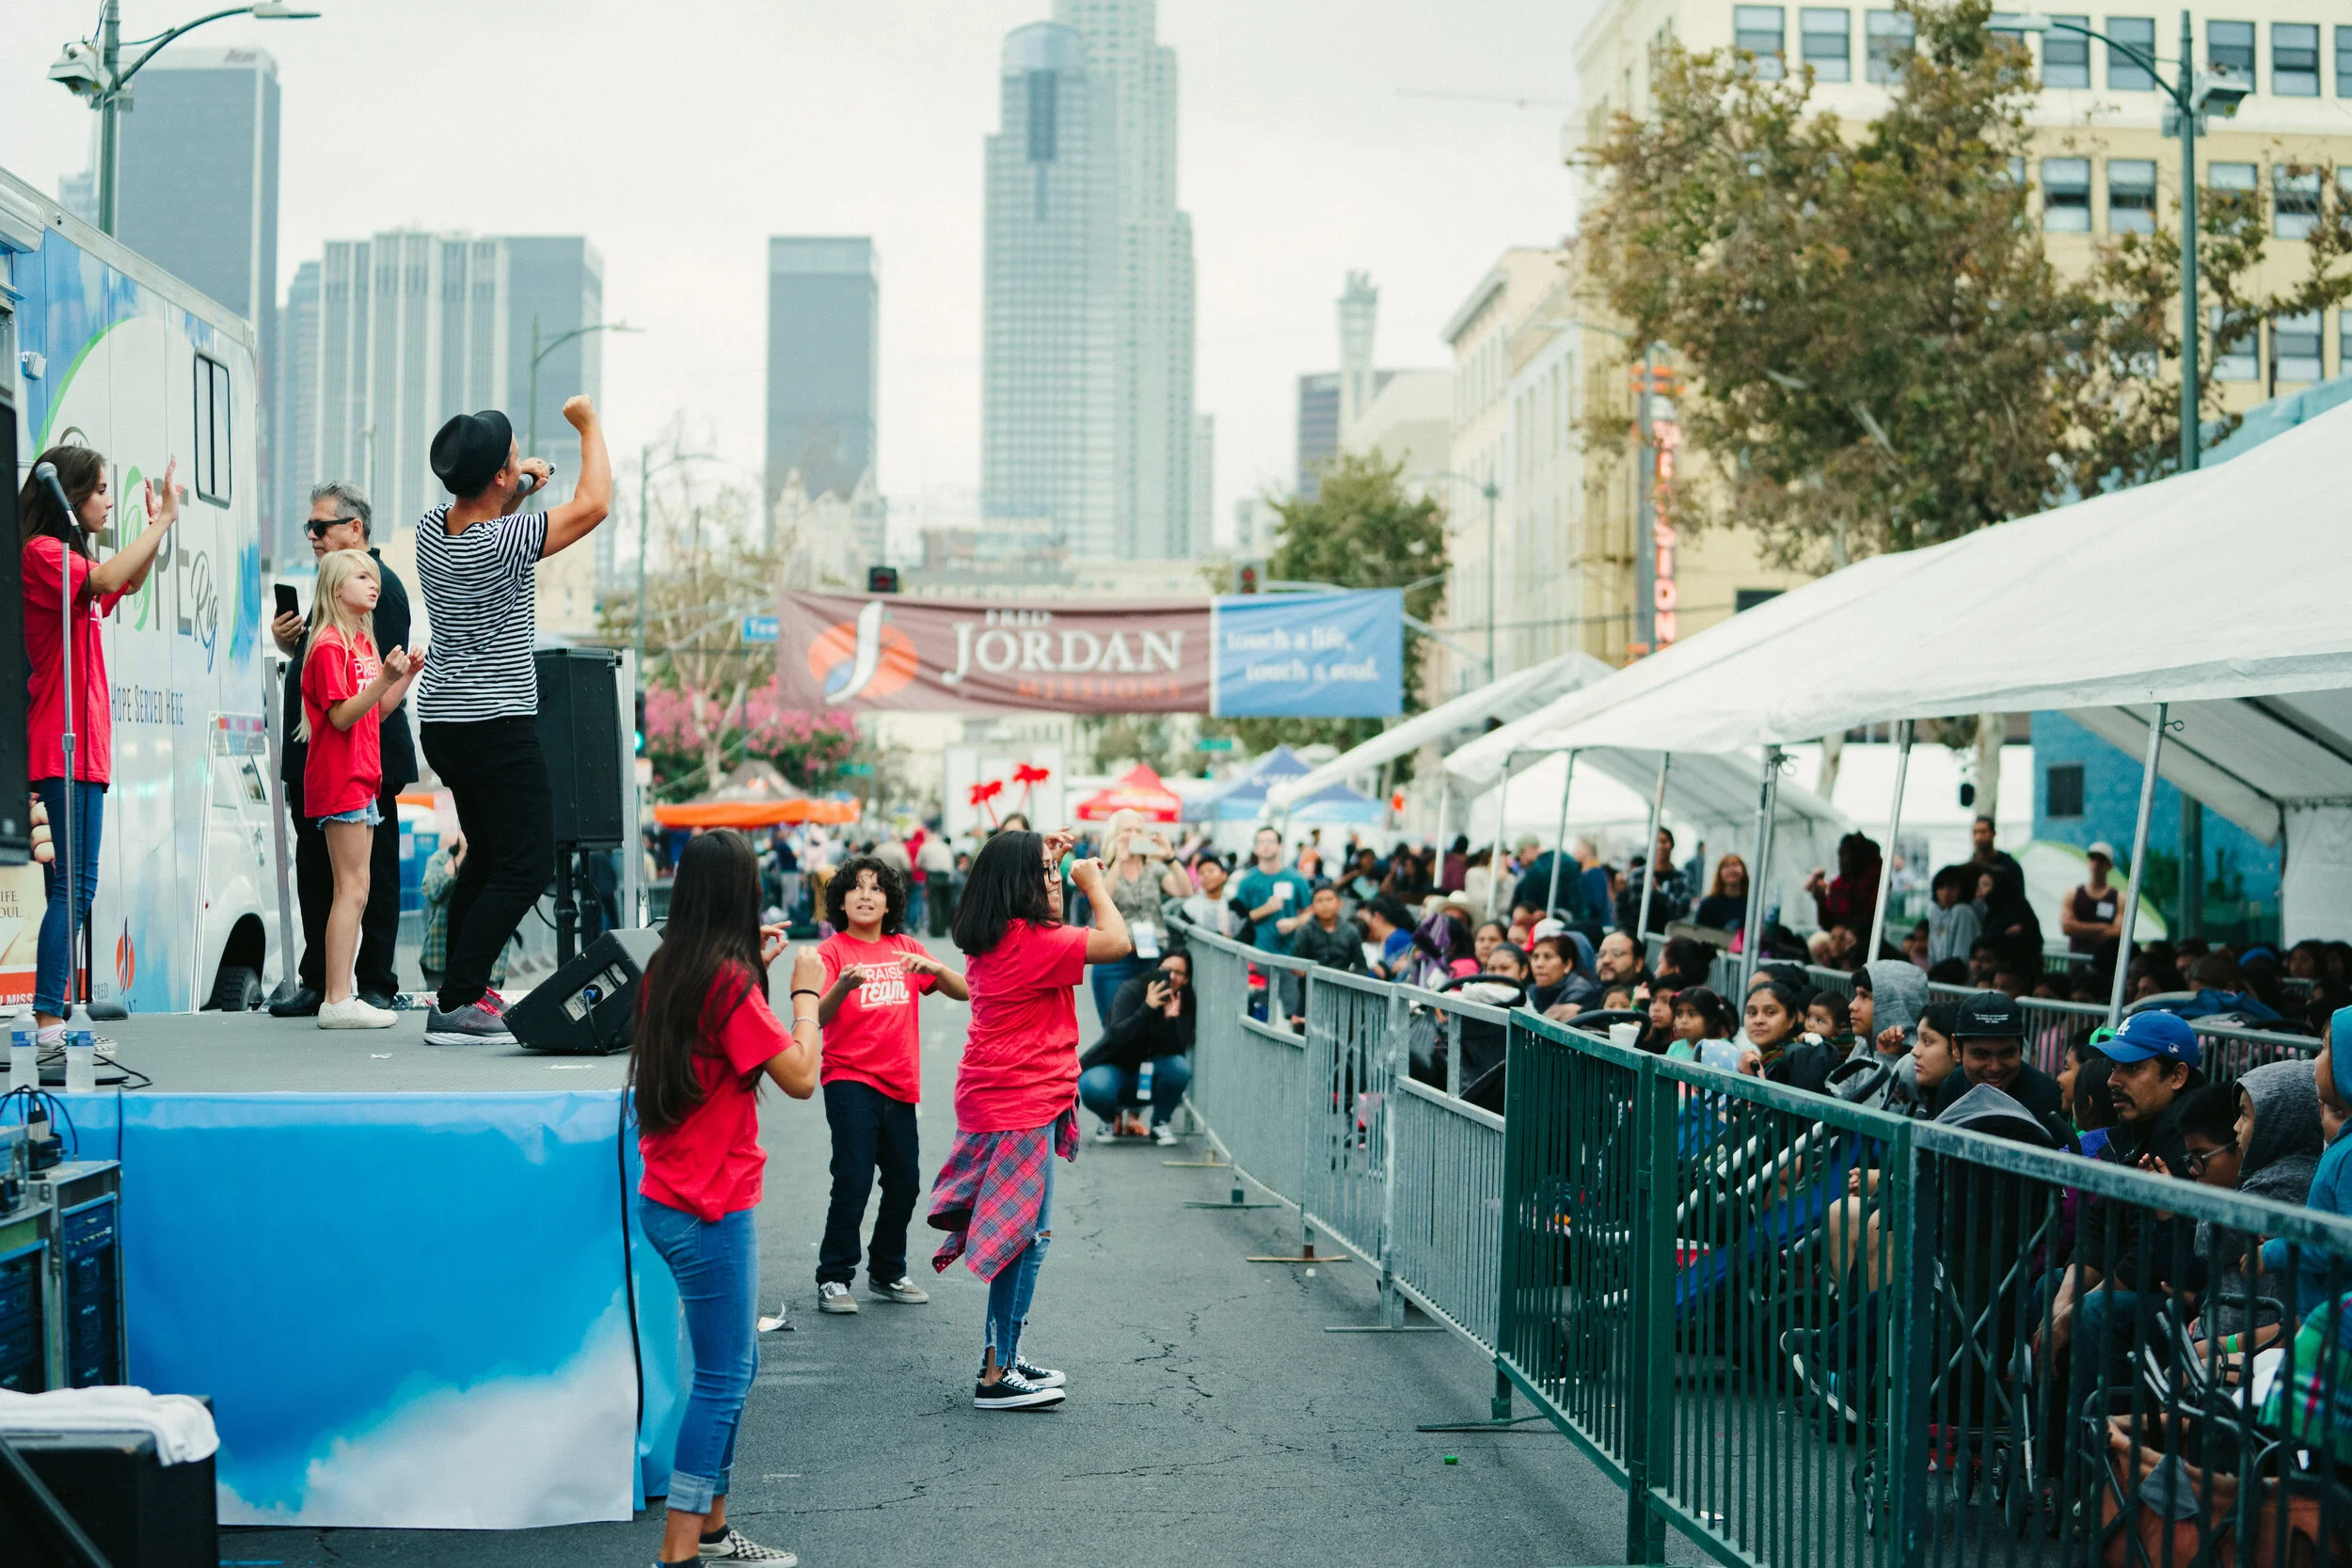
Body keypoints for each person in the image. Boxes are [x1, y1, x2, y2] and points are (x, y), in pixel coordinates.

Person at [630, 830, 818, 1568]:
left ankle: (710, 1525)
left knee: (734, 1367)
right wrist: (804, 994)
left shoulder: (671, 969)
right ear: (742, 894)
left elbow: (720, 1037)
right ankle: (679, 1550)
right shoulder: (726, 983)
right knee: (722, 1376)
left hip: (673, 1195)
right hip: (708, 1207)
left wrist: (759, 975)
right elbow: (800, 1074)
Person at [413, 396, 611, 1045]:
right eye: (509, 459)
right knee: (526, 863)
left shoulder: (428, 529)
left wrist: (520, 479)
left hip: (444, 720)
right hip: (495, 723)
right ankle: (462, 997)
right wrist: (587, 425)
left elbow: (492, 509)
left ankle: (456, 990)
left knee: (490, 852)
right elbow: (593, 505)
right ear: (497, 479)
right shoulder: (505, 542)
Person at [930, 829, 1130, 1410]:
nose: (1055, 881)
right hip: (1017, 1101)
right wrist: (1092, 883)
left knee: (1030, 1236)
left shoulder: (1002, 935)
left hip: (1009, 1096)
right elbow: (1116, 941)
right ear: (1020, 884)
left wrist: (1055, 864)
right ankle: (995, 1374)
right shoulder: (1031, 943)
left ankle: (1007, 1356)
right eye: (1043, 874)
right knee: (1023, 1239)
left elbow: (1053, 919)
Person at [19, 447, 180, 1039]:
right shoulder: (42, 554)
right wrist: (162, 522)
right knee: (74, 886)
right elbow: (110, 576)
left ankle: (52, 1016)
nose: (108, 500)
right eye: (102, 490)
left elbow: (126, 583)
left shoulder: (71, 562)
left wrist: (154, 528)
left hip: (86, 749)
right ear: (71, 494)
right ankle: (45, 1018)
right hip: (60, 747)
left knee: (72, 886)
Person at [268, 483, 418, 1017]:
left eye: (321, 526)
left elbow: (372, 686)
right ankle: (325, 982)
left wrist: (392, 681)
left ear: (355, 529)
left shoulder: (378, 588)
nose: (311, 536)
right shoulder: (332, 594)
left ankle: (370, 979)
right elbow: (336, 683)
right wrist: (293, 644)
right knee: (321, 871)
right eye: (308, 527)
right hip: (323, 756)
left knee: (364, 878)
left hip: (362, 759)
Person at [809, 855, 967, 1317]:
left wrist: (932, 969)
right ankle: (834, 1277)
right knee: (854, 1180)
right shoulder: (832, 952)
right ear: (840, 899)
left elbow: (963, 989)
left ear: (889, 900)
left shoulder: (906, 946)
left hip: (899, 1086)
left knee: (905, 1183)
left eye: (875, 888)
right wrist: (841, 987)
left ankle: (887, 1270)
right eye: (855, 888)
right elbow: (814, 1015)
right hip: (849, 1079)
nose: (865, 895)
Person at [298, 550, 422, 1029]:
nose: (373, 585)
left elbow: (377, 710)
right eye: (361, 576)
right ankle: (336, 998)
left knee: (357, 889)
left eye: (373, 577)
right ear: (335, 588)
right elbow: (341, 715)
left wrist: (403, 676)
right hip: (341, 777)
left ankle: (340, 994)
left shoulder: (361, 643)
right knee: (350, 889)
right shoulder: (329, 645)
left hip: (362, 776)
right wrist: (387, 680)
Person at [1925, 990, 2074, 1147]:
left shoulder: (2048, 1098)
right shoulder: (1953, 1085)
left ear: (2021, 1049)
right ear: (1956, 1048)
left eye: (2006, 1054)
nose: (1994, 1067)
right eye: (1981, 1054)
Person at [1079, 949, 1195, 1145]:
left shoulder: (1185, 999)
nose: (1172, 977)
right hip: (1117, 1065)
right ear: (1157, 969)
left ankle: (1160, 1123)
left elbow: (1179, 1049)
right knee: (1093, 1086)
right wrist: (1147, 1009)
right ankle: (1108, 1118)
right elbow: (1117, 1035)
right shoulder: (1133, 990)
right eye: (1166, 970)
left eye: (1179, 973)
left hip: (1151, 1070)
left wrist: (1170, 1021)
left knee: (1180, 1068)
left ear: (1186, 980)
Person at [1088, 811, 1189, 1027]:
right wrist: (1119, 860)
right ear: (1114, 835)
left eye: (1137, 830)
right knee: (1115, 1027)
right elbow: (1100, 898)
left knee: (1150, 1028)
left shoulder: (1154, 868)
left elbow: (1184, 890)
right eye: (1126, 830)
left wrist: (1170, 857)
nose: (1133, 835)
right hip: (1115, 959)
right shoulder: (1101, 867)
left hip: (1152, 958)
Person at [1804, 833, 1883, 951]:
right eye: (1840, 855)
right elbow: (1827, 923)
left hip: (1865, 943)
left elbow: (1869, 915)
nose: (1842, 860)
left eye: (1846, 855)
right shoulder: (1838, 885)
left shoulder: (1875, 881)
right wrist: (1820, 900)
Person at [1614, 827, 1692, 938]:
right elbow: (1622, 913)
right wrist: (1621, 892)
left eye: (1664, 841)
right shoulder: (1636, 876)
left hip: (1666, 938)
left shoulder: (1681, 878)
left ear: (1671, 845)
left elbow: (1681, 911)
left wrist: (1658, 893)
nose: (1659, 846)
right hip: (1637, 936)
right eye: (1656, 842)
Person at [1288, 883, 1368, 975]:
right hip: (1310, 985)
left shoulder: (1351, 931)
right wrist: (1301, 971)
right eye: (1319, 901)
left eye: (1329, 899)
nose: (1324, 904)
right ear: (1312, 907)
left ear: (1339, 903)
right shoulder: (1305, 931)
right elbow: (1295, 964)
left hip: (1342, 985)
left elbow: (1362, 967)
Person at [2058, 841, 2122, 956]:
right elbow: (2066, 927)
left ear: (2110, 865)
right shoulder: (2072, 894)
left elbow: (2119, 931)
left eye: (2101, 860)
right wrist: (2102, 927)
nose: (2096, 864)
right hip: (2077, 961)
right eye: (2093, 858)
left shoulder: (2119, 898)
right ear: (2088, 861)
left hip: (2106, 963)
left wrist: (2080, 931)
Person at [1692, 853, 1749, 933]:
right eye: (1726, 866)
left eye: (1735, 865)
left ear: (1743, 872)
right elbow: (1697, 934)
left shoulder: (1751, 906)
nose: (1731, 869)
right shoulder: (1708, 904)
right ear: (1720, 874)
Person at [916, 830, 956, 938]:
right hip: (946, 877)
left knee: (934, 904)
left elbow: (918, 864)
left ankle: (936, 929)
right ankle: (943, 928)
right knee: (944, 903)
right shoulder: (946, 847)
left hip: (933, 876)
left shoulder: (925, 847)